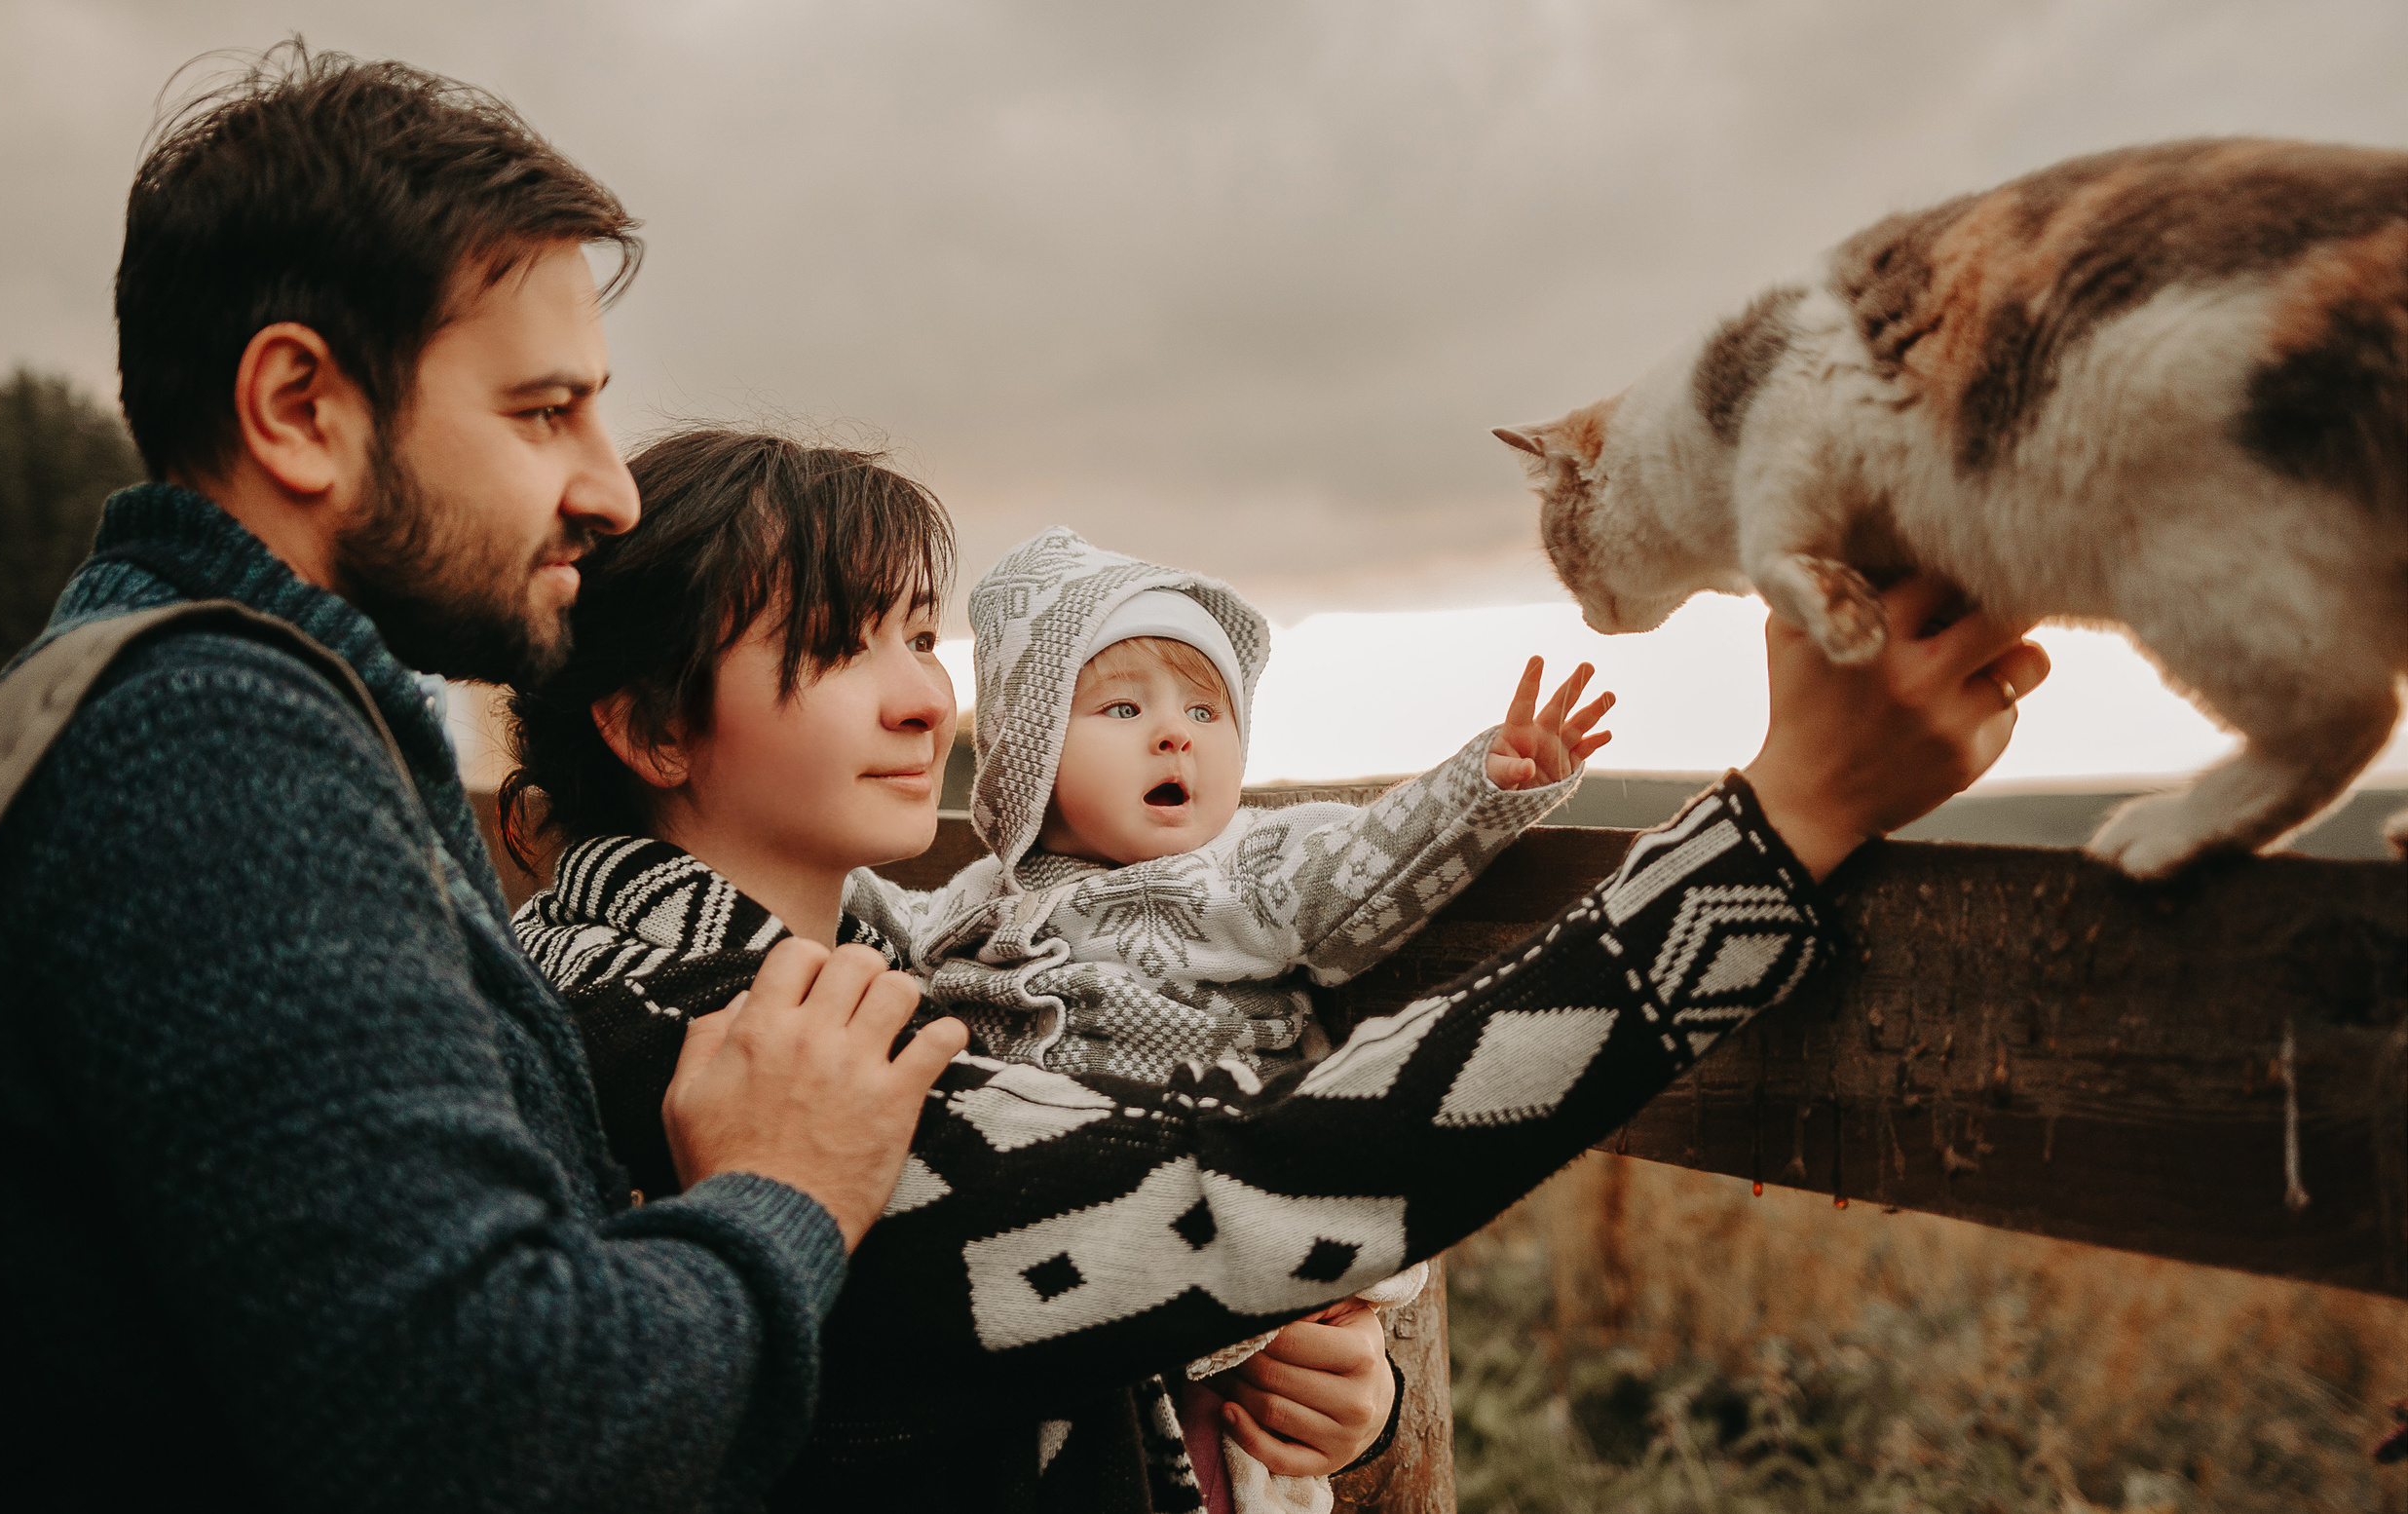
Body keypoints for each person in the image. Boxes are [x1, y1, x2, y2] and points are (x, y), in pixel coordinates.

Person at [503, 426, 2052, 1510]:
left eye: (926, 637)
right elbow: (1223, 1193)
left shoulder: (845, 959)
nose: (923, 701)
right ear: (647, 727)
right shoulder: (677, 1025)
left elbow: (1094, 1251)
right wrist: (1788, 824)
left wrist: (1331, 1389)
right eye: (848, 645)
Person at [0, 47, 965, 1511]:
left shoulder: (220, 714)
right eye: (545, 413)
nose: (612, 489)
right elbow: (497, 1429)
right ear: (298, 407)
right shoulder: (212, 755)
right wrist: (780, 1195)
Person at [857, 525, 1617, 1513]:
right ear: (1027, 749)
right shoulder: (982, 896)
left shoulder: (1245, 871)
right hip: (1060, 1261)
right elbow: (900, 931)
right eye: (1122, 708)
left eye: (1206, 710)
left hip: (1228, 1222)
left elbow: (1362, 868)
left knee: (1227, 1466)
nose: (1175, 734)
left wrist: (1478, 788)